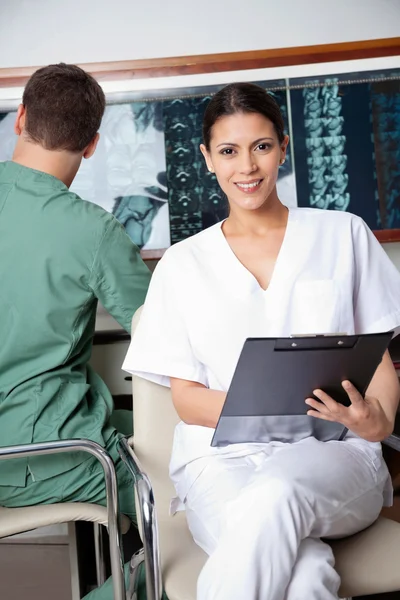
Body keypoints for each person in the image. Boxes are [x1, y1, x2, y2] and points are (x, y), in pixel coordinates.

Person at [123, 82, 400, 600]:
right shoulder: (183, 265)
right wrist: (267, 407)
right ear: (206, 158)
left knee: (275, 492)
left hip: (333, 450)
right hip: (220, 459)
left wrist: (376, 418)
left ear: (283, 148)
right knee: (305, 571)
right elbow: (186, 399)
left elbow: (379, 359)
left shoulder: (343, 235)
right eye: (228, 151)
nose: (246, 167)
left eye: (261, 147)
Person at [0, 64, 151, 598]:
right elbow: (164, 338)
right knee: (186, 491)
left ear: (19, 120)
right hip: (45, 460)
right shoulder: (92, 230)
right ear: (91, 145)